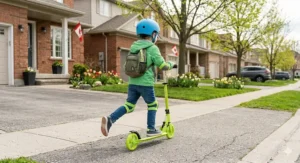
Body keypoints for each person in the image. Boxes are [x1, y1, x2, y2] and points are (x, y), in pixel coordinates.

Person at [101, 18, 175, 137]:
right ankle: (151, 129)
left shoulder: (134, 47)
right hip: (146, 84)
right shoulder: (152, 48)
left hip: (132, 82)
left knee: (129, 105)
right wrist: (171, 64)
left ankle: (110, 119)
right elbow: (163, 65)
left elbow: (127, 65)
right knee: (153, 105)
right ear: (153, 34)